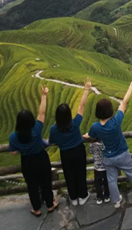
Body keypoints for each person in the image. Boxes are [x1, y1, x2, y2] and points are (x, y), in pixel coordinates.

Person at [87, 75, 132, 208]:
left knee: (111, 179)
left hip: (108, 157)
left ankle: (116, 201)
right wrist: (131, 86)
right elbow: (124, 102)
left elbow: (91, 136)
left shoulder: (95, 127)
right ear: (110, 111)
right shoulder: (115, 121)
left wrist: (86, 135)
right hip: (123, 154)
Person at [9, 85, 59, 217]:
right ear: (32, 121)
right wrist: (44, 96)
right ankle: (50, 205)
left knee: (32, 185)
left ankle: (36, 209)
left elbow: (13, 152)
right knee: (46, 183)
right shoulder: (36, 130)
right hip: (41, 158)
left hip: (27, 161)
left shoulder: (13, 137)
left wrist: (22, 149)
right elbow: (42, 113)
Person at [49, 78, 91, 206]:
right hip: (78, 150)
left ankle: (73, 198)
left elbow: (51, 143)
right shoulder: (75, 124)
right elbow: (82, 106)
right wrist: (86, 89)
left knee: (69, 175)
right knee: (80, 173)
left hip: (66, 154)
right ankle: (83, 196)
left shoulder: (54, 129)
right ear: (69, 115)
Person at [89, 139, 110, 204]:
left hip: (97, 167)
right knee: (106, 181)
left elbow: (91, 152)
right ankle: (107, 196)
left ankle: (99, 197)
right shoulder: (103, 144)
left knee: (98, 183)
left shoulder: (92, 145)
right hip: (105, 166)